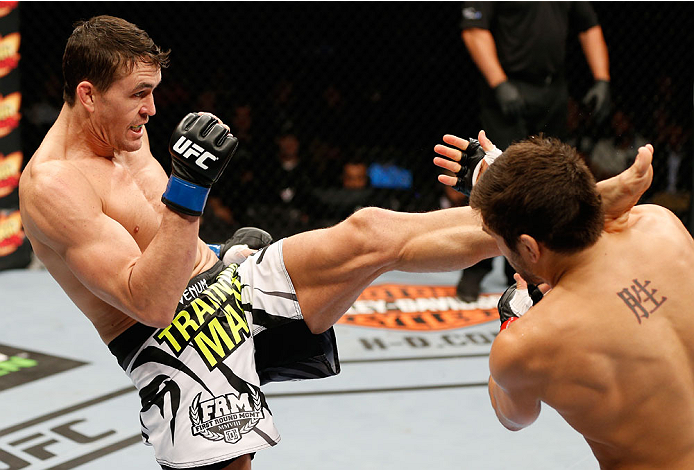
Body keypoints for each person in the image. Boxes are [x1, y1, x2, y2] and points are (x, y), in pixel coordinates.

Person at [18, 15, 646, 470]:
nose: (153, 110)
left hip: (214, 283)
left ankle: (571, 210)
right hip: (169, 343)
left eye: (153, 91)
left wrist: (221, 254)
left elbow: (165, 237)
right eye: (140, 95)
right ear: (86, 94)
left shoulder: (124, 129)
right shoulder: (54, 187)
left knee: (370, 230)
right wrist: (189, 193)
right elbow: (148, 302)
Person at [469, 135, 694, 468]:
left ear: (530, 248)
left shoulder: (525, 343)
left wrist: (513, 321)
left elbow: (513, 416)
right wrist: (502, 177)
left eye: (499, 241)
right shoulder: (661, 225)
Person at [458, 1, 612, 298]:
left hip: (552, 91)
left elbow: (589, 25)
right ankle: (474, 267)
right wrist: (499, 82)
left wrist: (602, 77)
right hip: (507, 85)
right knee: (493, 177)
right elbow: (474, 30)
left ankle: (530, 273)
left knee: (550, 182)